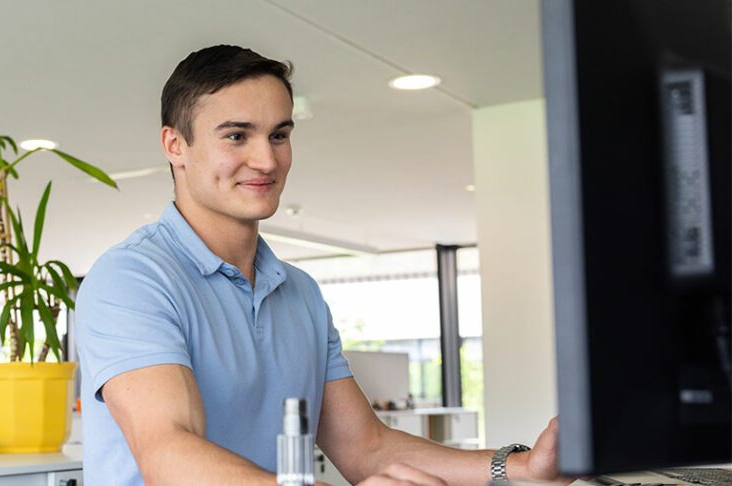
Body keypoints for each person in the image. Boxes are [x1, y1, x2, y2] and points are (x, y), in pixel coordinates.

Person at [76, 44, 562, 486]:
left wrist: (520, 468)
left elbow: (367, 447)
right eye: (237, 136)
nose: (266, 160)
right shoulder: (132, 280)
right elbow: (169, 454)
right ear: (174, 145)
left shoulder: (300, 292)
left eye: (279, 135)